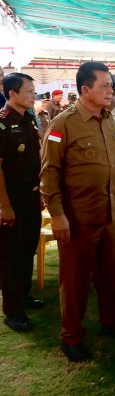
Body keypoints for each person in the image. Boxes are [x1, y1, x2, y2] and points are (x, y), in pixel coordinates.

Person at [40, 61, 115, 362]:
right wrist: (58, 214)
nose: (110, 90)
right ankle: (71, 336)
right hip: (77, 219)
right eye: (105, 85)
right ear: (85, 89)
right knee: (75, 282)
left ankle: (112, 322)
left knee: (112, 274)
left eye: (111, 85)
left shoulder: (108, 119)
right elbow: (49, 173)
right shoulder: (63, 124)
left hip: (110, 213)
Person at [0, 73, 44, 332]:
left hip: (30, 196)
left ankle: (24, 296)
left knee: (28, 249)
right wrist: (5, 206)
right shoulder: (2, 124)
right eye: (29, 91)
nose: (33, 95)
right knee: (10, 256)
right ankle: (13, 311)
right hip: (12, 199)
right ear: (12, 93)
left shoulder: (28, 119)